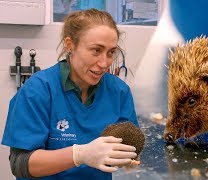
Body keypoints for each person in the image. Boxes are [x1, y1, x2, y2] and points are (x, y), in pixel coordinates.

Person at [1, 9, 139, 180]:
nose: (104, 63)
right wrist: (79, 155)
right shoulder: (37, 90)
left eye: (111, 52)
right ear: (69, 45)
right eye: (96, 50)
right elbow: (20, 164)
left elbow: (130, 146)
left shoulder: (118, 92)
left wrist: (126, 156)